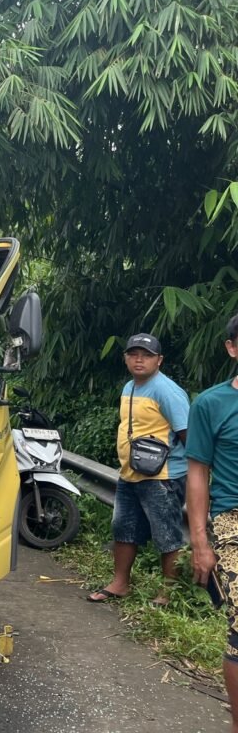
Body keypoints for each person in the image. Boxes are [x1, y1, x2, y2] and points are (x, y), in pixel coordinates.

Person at [87, 332, 189, 606]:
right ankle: (120, 584)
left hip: (162, 476)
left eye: (147, 355)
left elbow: (187, 434)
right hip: (130, 472)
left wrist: (195, 473)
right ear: (125, 358)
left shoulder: (167, 391)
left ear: (159, 360)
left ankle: (169, 593)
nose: (139, 360)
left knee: (166, 534)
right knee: (124, 528)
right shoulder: (129, 387)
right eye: (133, 354)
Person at [187, 313, 238, 732]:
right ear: (232, 348)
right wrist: (200, 542)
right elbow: (198, 473)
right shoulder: (211, 404)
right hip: (232, 521)